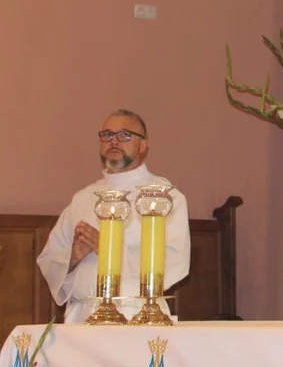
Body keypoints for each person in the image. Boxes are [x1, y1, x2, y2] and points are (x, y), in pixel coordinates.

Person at [37, 109, 191, 323]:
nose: (114, 142)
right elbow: (49, 259)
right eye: (107, 135)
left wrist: (111, 250)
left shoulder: (164, 196)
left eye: (125, 135)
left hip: (138, 314)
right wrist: (71, 258)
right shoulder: (83, 198)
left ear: (143, 145)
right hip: (82, 317)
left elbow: (176, 261)